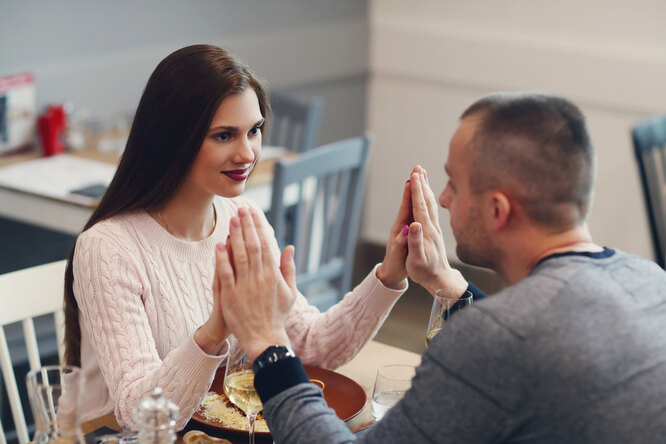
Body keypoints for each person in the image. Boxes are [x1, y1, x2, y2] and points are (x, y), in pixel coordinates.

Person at [218, 92, 666, 443]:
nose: (445, 199)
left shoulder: (491, 340)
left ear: (496, 209)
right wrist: (444, 281)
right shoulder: (651, 281)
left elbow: (511, 342)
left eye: (453, 182)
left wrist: (267, 343)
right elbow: (543, 344)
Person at [63, 44, 415, 430]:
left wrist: (389, 276)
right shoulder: (107, 248)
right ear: (173, 138)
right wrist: (216, 328)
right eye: (225, 135)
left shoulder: (242, 219)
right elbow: (136, 413)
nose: (247, 153)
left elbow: (312, 345)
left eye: (255, 130)